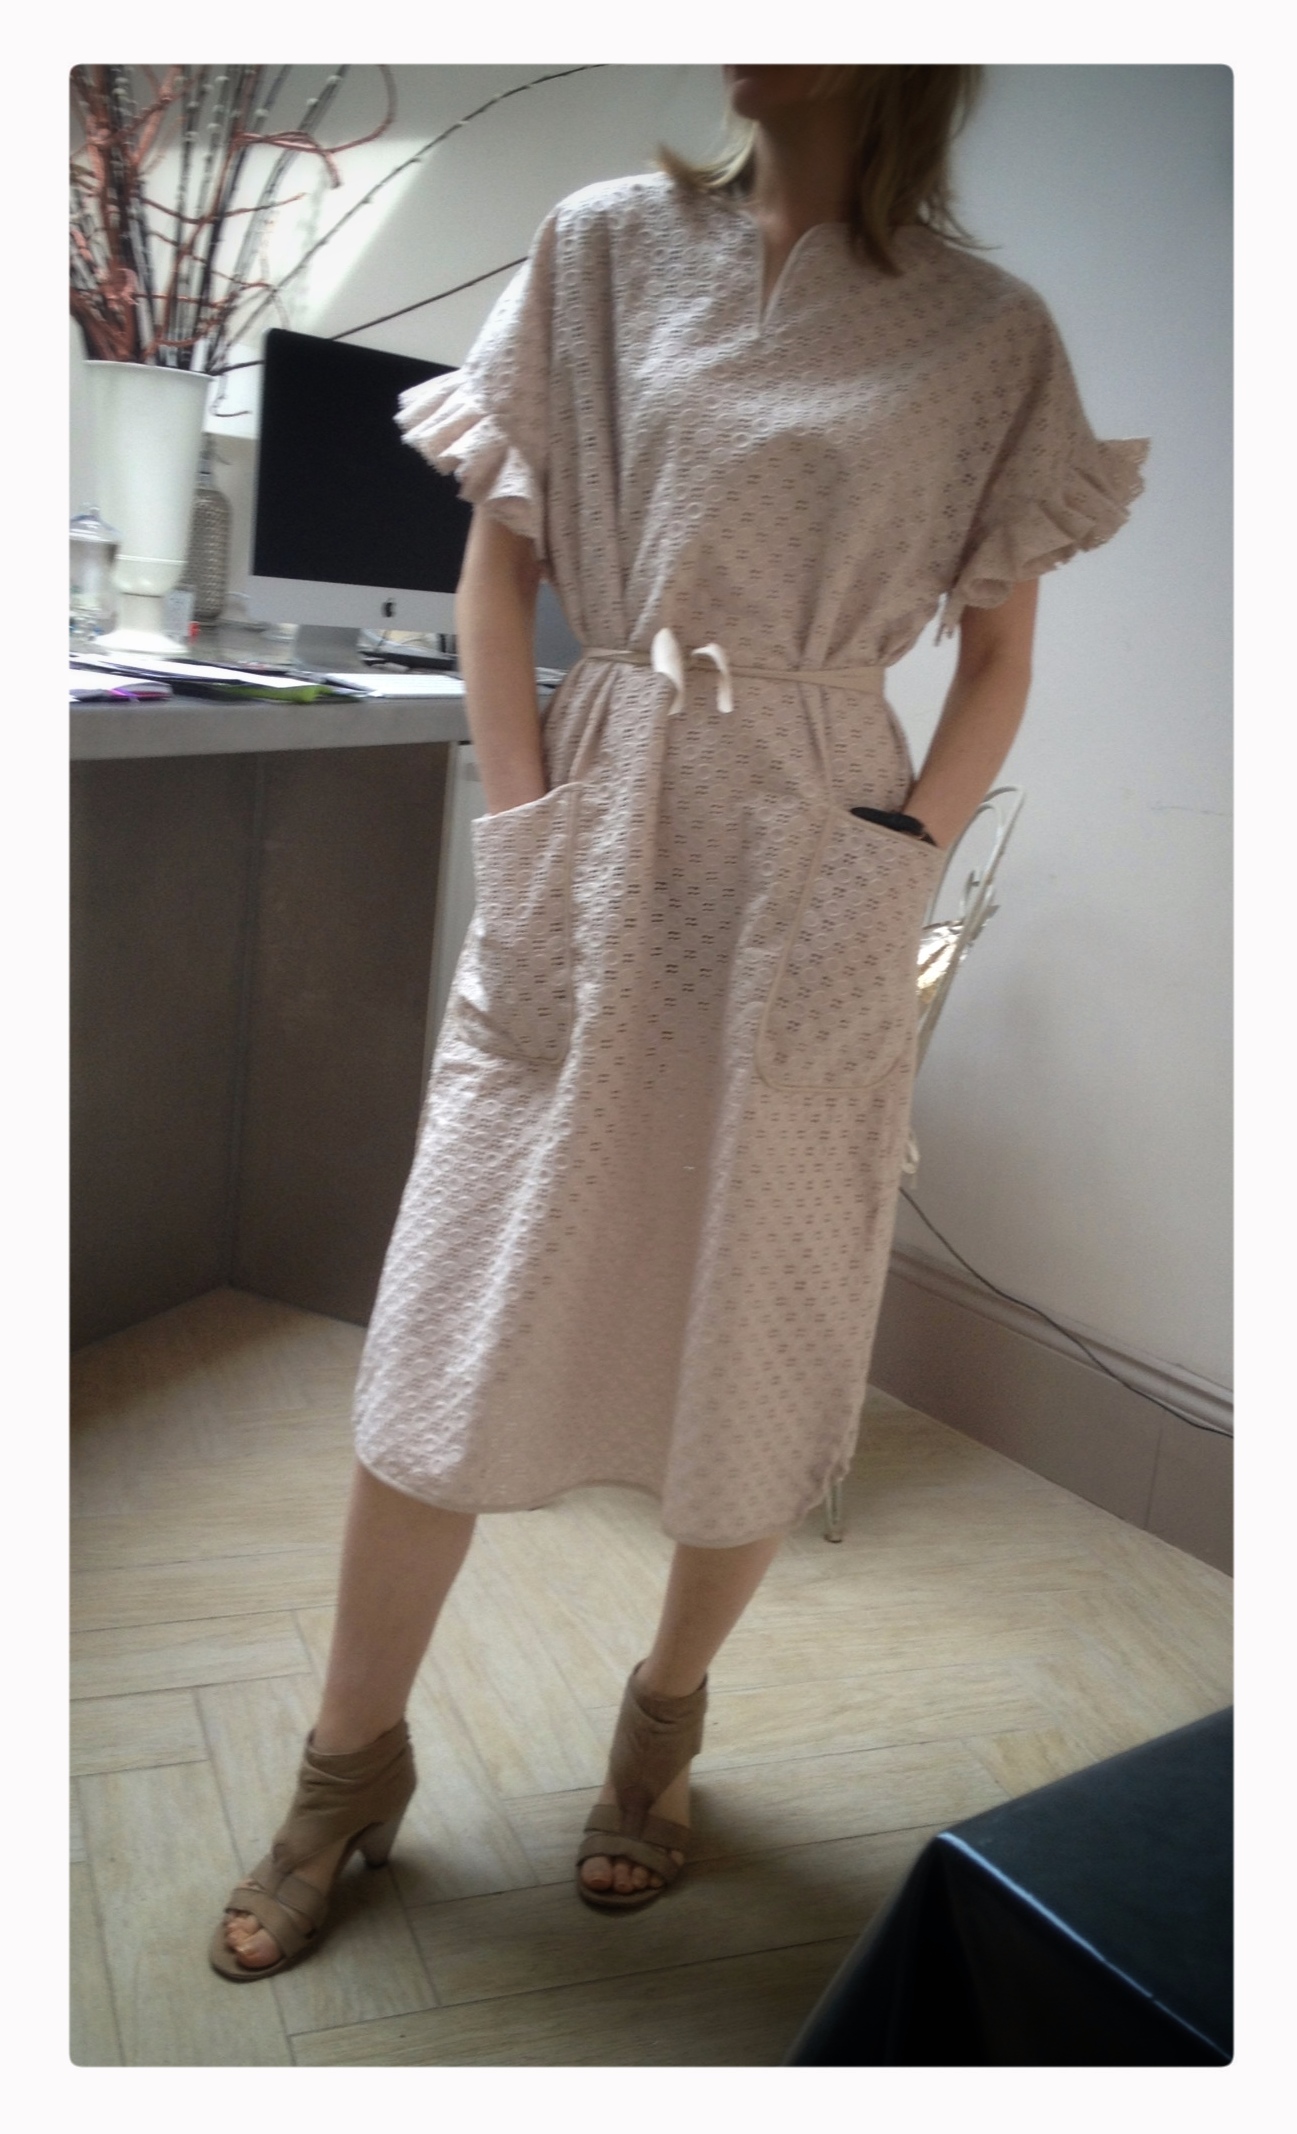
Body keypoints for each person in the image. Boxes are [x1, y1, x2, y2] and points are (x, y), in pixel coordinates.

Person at [211, 63, 1147, 1978]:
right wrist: (525, 822)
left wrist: (898, 856)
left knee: (764, 1312)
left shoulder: (989, 333)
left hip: (818, 851)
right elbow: (501, 565)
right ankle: (345, 1764)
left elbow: (995, 657)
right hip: (600, 813)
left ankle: (659, 1724)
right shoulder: (603, 248)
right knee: (454, 1309)